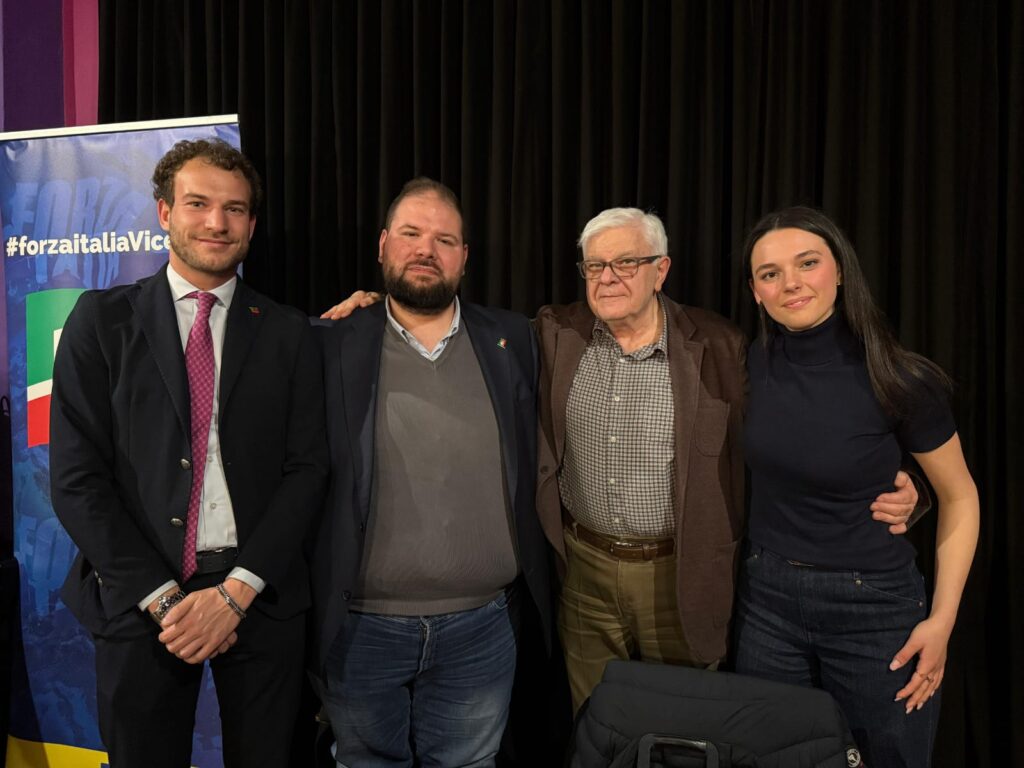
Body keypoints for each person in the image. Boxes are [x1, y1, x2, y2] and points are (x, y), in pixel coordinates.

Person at [323, 206, 922, 715]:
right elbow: (453, 328)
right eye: (595, 265)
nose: (608, 277)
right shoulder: (553, 334)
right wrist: (376, 306)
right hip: (583, 577)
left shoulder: (720, 346)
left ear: (660, 270)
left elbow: (794, 433)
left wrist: (904, 485)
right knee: (598, 725)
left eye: (626, 263)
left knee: (687, 728)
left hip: (682, 575)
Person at [49, 139, 329, 767]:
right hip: (142, 595)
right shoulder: (101, 323)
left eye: (235, 209)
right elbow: (75, 479)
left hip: (259, 594)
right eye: (198, 203)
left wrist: (235, 593)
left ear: (252, 224)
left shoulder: (288, 332)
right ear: (164, 213)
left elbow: (307, 470)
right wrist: (168, 601)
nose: (216, 222)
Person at [309, 178, 554, 767]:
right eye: (412, 234)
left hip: (483, 628)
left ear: (465, 258)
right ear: (383, 245)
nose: (427, 249)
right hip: (364, 630)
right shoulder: (328, 343)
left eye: (445, 239)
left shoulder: (512, 338)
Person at [733, 206, 979, 767]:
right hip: (766, 603)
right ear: (755, 292)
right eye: (770, 273)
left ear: (840, 270)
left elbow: (962, 498)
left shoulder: (900, 378)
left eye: (807, 263)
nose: (790, 282)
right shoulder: (750, 363)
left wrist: (941, 623)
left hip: (873, 610)